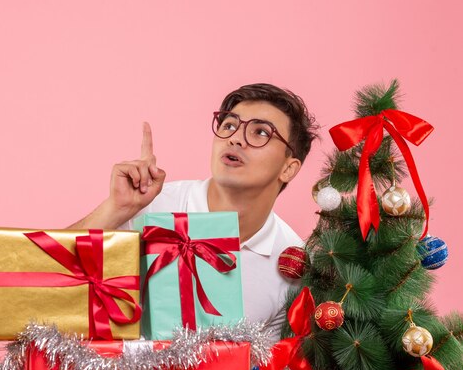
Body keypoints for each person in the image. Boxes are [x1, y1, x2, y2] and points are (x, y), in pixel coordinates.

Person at [68, 82, 318, 344]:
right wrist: (115, 210)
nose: (235, 138)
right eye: (229, 125)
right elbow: (45, 280)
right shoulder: (151, 205)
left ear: (289, 169)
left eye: (260, 132)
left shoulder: (292, 263)